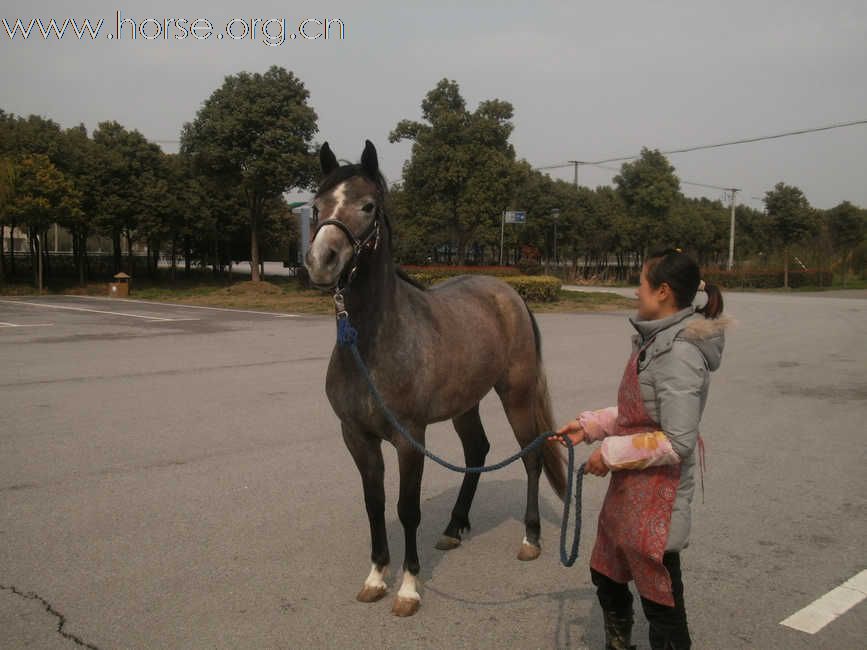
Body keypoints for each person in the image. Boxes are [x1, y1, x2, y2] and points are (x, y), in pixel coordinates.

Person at [553, 249, 733, 650]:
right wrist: (590, 427)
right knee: (608, 573)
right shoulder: (657, 341)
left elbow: (678, 440)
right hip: (633, 487)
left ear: (664, 292)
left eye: (642, 282)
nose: (636, 291)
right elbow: (642, 413)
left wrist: (610, 453)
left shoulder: (681, 352)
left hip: (659, 494)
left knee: (661, 598)